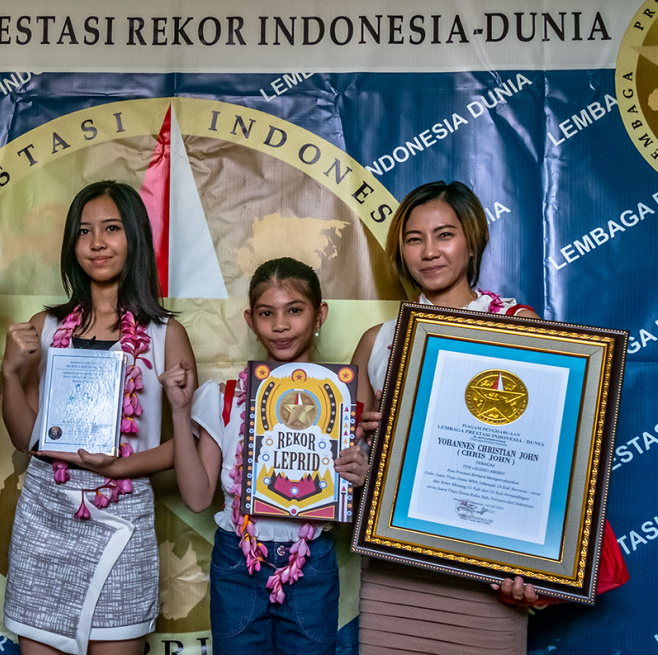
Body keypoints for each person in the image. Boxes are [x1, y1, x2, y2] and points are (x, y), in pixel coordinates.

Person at [350, 180, 627, 654]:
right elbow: (352, 458)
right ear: (400, 251)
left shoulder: (518, 324)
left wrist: (536, 566)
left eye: (444, 234)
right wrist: (360, 462)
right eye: (414, 239)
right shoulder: (378, 341)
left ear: (472, 241)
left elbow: (547, 459)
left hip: (486, 580)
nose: (429, 251)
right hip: (395, 576)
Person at [0, 180, 195, 655]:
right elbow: (27, 439)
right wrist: (10, 373)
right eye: (84, 231)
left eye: (111, 229)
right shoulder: (45, 327)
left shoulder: (165, 333)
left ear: (135, 238)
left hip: (121, 511)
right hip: (45, 513)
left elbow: (187, 445)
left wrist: (120, 466)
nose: (97, 243)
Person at [165, 257, 369, 655]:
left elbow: (355, 504)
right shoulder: (226, 398)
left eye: (294, 310)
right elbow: (197, 498)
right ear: (250, 320)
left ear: (319, 315)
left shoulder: (343, 407)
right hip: (237, 562)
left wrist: (359, 477)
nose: (280, 325)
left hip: (312, 563)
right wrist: (178, 410)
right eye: (266, 313)